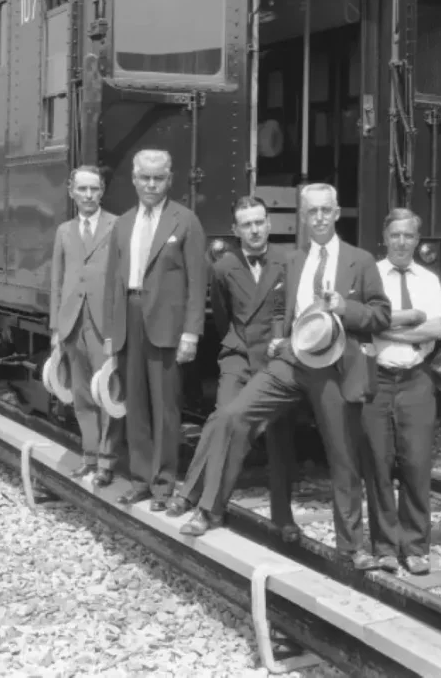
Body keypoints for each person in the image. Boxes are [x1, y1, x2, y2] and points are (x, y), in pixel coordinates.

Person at [177, 183, 391, 572]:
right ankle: (210, 509)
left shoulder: (360, 260)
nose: (320, 218)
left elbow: (381, 314)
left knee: (343, 456)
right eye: (312, 212)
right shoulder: (293, 260)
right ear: (303, 218)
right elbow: (281, 307)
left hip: (335, 366)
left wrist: (348, 307)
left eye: (326, 210)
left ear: (338, 212)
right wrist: (279, 336)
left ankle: (352, 547)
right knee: (232, 416)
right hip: (293, 361)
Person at [167, 196, 296, 536]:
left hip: (274, 360)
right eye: (246, 225)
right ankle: (201, 502)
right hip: (238, 356)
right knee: (223, 418)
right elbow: (223, 317)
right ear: (236, 230)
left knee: (255, 430)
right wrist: (239, 345)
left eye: (259, 222)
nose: (254, 230)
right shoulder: (223, 266)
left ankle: (215, 507)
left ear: (269, 224)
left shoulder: (289, 260)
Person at [104, 150, 207, 509]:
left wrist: (191, 333)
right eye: (145, 177)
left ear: (169, 179)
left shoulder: (186, 221)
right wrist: (109, 334)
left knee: (165, 408)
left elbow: (197, 282)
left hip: (167, 324)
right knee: (135, 405)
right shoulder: (123, 223)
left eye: (158, 178)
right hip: (130, 318)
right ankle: (140, 479)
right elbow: (111, 283)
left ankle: (163, 485)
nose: (151, 184)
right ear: (134, 179)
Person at [362, 208, 441, 575]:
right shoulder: (370, 275)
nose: (401, 242)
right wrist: (410, 321)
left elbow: (436, 329)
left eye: (409, 235)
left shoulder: (428, 280)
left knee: (416, 463)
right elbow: (364, 323)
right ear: (385, 236)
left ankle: (415, 547)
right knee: (378, 463)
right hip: (377, 380)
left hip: (416, 378)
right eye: (395, 234)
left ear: (417, 240)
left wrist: (388, 331)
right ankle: (383, 546)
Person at [49, 166, 123, 487]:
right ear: (72, 192)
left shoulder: (117, 226)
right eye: (82, 189)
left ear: (102, 190)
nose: (89, 195)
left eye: (94, 189)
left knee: (107, 392)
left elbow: (122, 281)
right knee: (81, 395)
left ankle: (107, 462)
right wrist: (56, 327)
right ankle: (89, 456)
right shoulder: (64, 231)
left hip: (103, 324)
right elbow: (56, 282)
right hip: (71, 323)